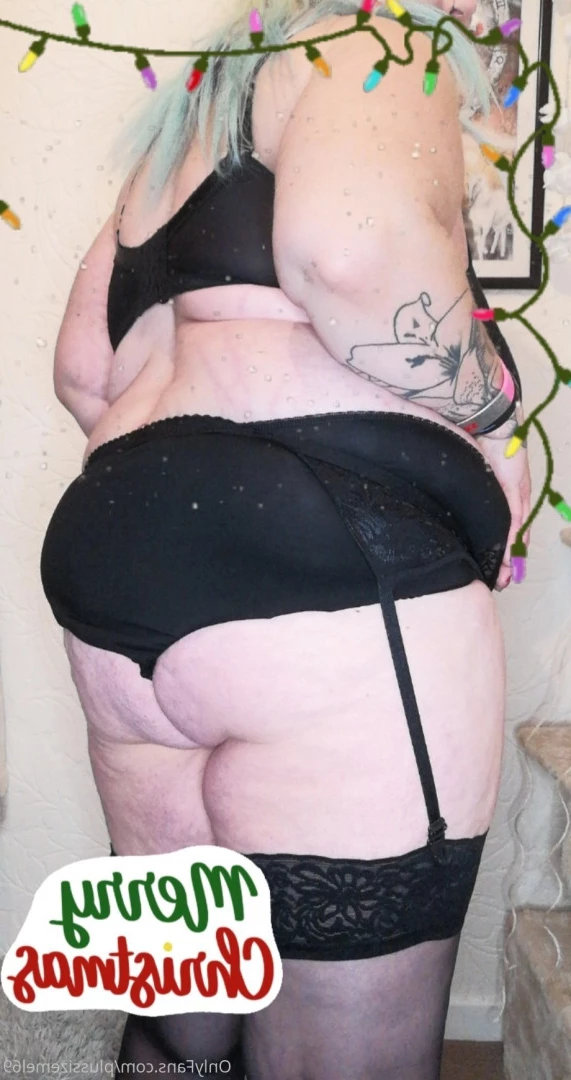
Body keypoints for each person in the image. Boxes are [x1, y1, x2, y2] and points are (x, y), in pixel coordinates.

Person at [40, 1, 532, 1076]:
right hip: (320, 568)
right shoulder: (383, 39)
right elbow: (347, 256)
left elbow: (83, 370)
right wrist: (497, 413)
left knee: (179, 1009)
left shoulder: (189, 124)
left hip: (115, 562)